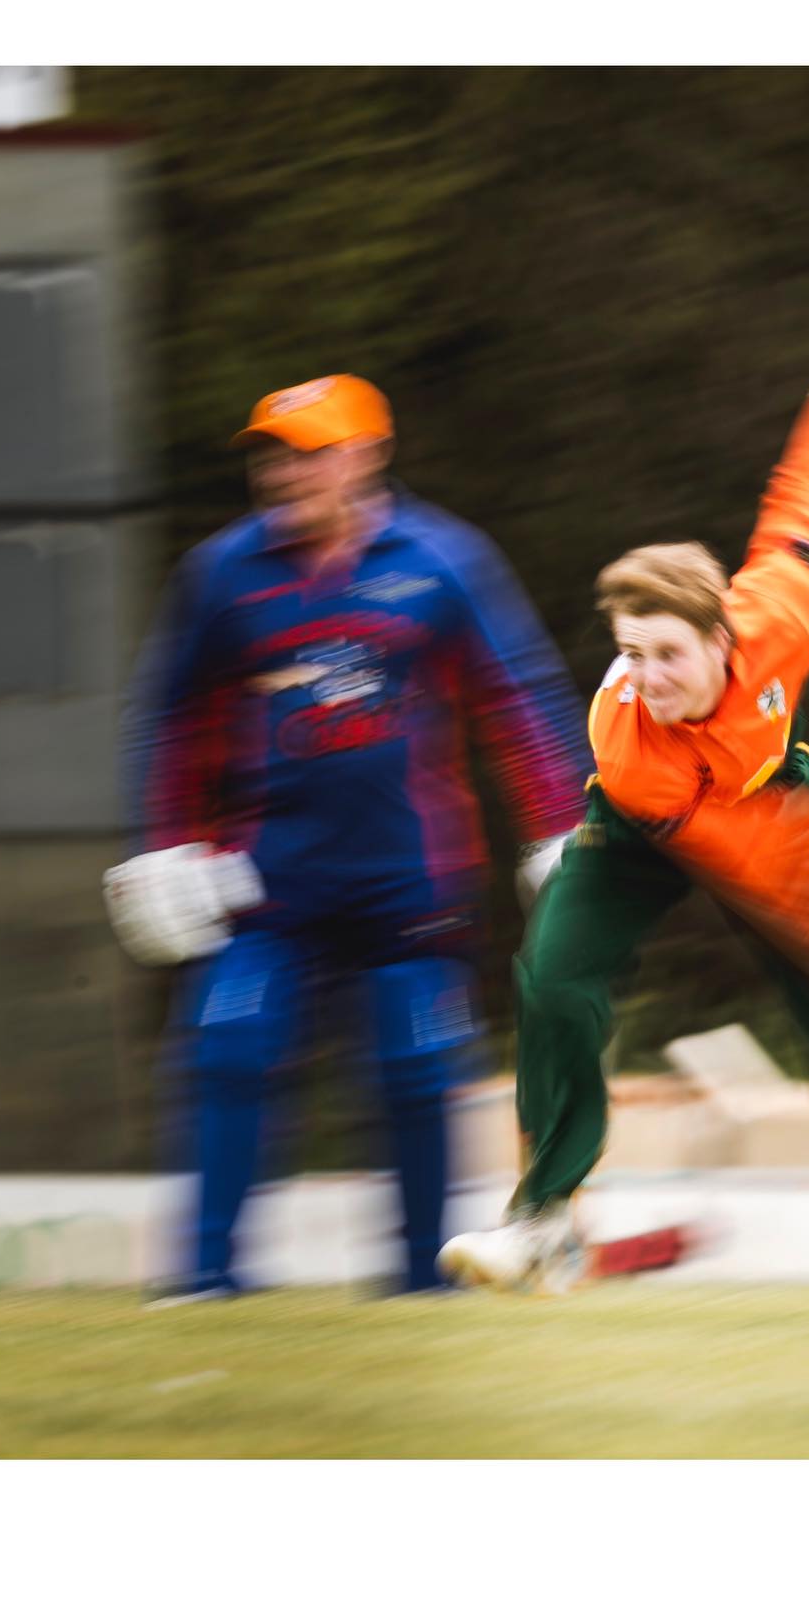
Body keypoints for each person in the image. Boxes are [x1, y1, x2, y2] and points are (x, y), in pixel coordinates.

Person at [438, 271, 809, 1299]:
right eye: (630, 653)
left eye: (667, 653)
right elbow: (721, 849)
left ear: (722, 635)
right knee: (553, 978)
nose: (648, 677)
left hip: (767, 798)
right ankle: (544, 1223)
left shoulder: (780, 610)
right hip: (645, 821)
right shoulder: (629, 739)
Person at [104, 374, 591, 1298]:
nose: (285, 473)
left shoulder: (444, 559)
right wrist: (164, 843)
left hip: (410, 882)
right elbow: (170, 715)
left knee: (416, 1067)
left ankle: (418, 1284)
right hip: (265, 881)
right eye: (272, 455)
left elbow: (517, 696)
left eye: (310, 452)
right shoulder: (221, 573)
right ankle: (204, 1282)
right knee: (230, 1045)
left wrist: (560, 832)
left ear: (368, 454)